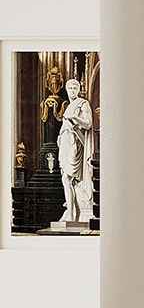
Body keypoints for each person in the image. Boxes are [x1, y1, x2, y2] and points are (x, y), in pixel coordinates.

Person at [57, 78, 94, 231]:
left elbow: (89, 124)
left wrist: (75, 118)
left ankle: (74, 213)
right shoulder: (68, 106)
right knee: (66, 179)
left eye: (75, 88)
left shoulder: (83, 103)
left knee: (70, 178)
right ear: (66, 89)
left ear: (79, 90)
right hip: (65, 143)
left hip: (75, 145)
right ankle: (71, 212)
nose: (72, 90)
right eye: (70, 88)